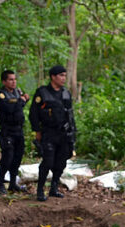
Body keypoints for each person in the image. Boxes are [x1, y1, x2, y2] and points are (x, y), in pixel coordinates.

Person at [29, 65, 76, 202]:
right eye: (61, 75)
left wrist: (72, 133)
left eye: (65, 76)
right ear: (53, 77)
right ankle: (40, 190)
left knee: (61, 162)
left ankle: (54, 188)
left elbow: (71, 115)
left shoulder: (66, 93)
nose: (63, 78)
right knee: (48, 161)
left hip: (64, 134)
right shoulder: (42, 93)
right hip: (48, 132)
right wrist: (37, 130)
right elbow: (34, 114)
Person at [0, 70, 29, 194]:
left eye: (14, 79)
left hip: (18, 129)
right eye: (10, 79)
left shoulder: (17, 92)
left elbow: (19, 107)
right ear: (4, 81)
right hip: (7, 130)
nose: (13, 82)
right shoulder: (1, 94)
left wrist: (24, 100)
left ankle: (13, 183)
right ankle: (0, 184)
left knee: (18, 157)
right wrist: (21, 100)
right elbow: (9, 108)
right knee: (7, 157)